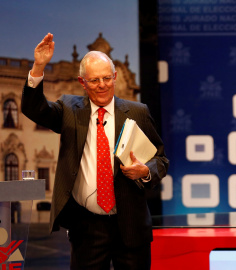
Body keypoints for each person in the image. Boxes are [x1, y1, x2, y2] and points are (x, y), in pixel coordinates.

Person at [22, 33, 169, 270]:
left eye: (106, 78)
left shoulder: (138, 112)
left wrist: (145, 171)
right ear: (82, 82)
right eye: (94, 80)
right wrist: (38, 67)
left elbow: (160, 160)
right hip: (87, 228)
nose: (102, 85)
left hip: (130, 225)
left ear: (115, 76)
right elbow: (34, 109)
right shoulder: (69, 109)